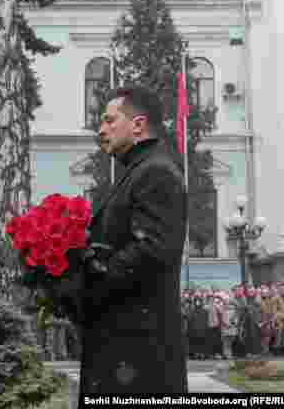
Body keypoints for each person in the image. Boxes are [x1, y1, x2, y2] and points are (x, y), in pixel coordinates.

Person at [80, 86, 188, 394]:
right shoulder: (139, 170)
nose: (101, 130)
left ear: (138, 125)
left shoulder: (156, 172)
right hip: (125, 347)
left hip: (139, 354)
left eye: (109, 120)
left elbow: (151, 251)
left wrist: (86, 277)